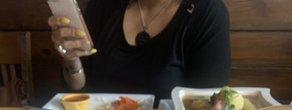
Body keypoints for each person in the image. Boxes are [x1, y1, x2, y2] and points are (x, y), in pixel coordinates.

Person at [49, 0, 231, 103]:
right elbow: (77, 89)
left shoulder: (207, 12)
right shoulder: (101, 6)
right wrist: (72, 60)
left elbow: (209, 103)